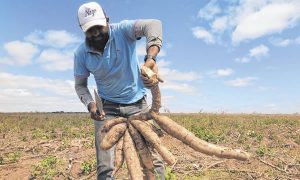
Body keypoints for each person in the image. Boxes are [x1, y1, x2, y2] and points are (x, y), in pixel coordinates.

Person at [74, 2, 165, 179]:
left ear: (107, 20)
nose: (96, 33)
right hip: (106, 111)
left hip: (139, 106)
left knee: (153, 160)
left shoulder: (123, 30)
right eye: (90, 30)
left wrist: (151, 58)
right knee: (106, 166)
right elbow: (80, 85)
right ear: (82, 29)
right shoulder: (81, 53)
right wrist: (91, 104)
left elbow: (153, 24)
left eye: (99, 27)